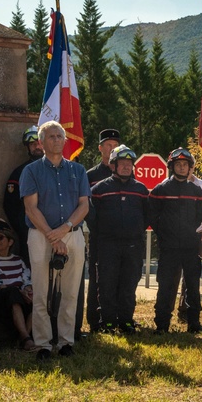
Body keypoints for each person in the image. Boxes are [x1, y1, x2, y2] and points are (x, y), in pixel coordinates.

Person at [20, 120, 89, 359]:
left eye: (60, 136)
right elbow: (31, 208)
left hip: (72, 235)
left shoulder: (77, 171)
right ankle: (43, 345)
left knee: (70, 292)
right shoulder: (31, 171)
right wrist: (53, 236)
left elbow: (84, 205)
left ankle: (66, 341)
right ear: (41, 142)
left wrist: (65, 228)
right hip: (41, 236)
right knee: (41, 292)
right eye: (51, 136)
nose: (57, 140)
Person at [90, 144, 149, 334]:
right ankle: (107, 321)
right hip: (107, 245)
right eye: (122, 163)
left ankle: (126, 321)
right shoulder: (99, 189)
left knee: (129, 284)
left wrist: (136, 230)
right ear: (113, 165)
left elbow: (147, 215)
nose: (126, 167)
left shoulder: (140, 189)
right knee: (106, 284)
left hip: (133, 245)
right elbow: (91, 217)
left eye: (129, 164)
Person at [150, 148, 202, 334]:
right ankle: (162, 324)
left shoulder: (197, 191)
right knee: (166, 285)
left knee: (192, 285)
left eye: (185, 164)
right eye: (178, 164)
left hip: (191, 247)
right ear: (172, 166)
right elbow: (152, 215)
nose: (182, 167)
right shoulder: (161, 189)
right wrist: (163, 233)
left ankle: (194, 324)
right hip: (169, 248)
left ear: (190, 167)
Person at [0, 220, 35, 350]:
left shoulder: (18, 260)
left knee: (36, 297)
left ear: (10, 242)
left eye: (0, 237)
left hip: (17, 296)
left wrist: (27, 289)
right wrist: (19, 291)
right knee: (12, 293)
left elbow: (27, 280)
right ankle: (26, 338)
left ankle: (24, 337)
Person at [85, 127, 121, 327]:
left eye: (116, 146)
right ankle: (94, 319)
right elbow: (87, 207)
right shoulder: (91, 175)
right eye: (108, 145)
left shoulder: (126, 171)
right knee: (97, 278)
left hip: (121, 237)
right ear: (100, 148)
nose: (112, 149)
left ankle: (115, 317)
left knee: (119, 277)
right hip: (100, 235)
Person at [4, 125, 43, 258]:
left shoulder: (59, 170)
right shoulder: (19, 173)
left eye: (39, 143)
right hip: (29, 232)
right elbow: (10, 205)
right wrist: (22, 228)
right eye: (32, 144)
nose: (37, 147)